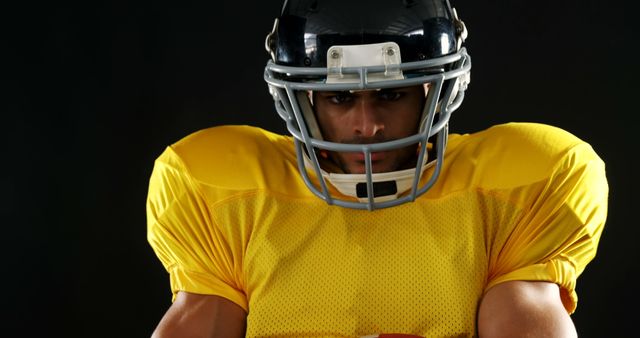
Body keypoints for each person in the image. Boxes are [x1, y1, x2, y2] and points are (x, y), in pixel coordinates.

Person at [145, 0, 608, 337]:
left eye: (391, 94)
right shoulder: (224, 193)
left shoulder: (517, 186)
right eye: (340, 98)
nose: (368, 126)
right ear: (303, 98)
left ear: (433, 92)